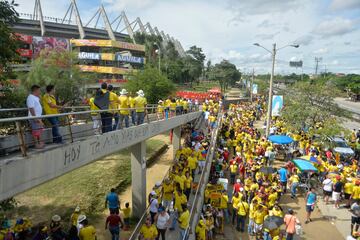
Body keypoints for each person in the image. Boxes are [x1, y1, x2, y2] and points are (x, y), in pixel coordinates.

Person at [27, 84, 44, 149]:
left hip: (38, 117)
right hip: (34, 118)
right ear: (36, 90)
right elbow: (31, 108)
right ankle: (37, 144)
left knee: (39, 130)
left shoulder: (36, 97)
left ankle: (40, 142)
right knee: (35, 131)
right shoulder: (30, 97)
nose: (40, 92)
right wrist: (35, 118)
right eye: (39, 90)